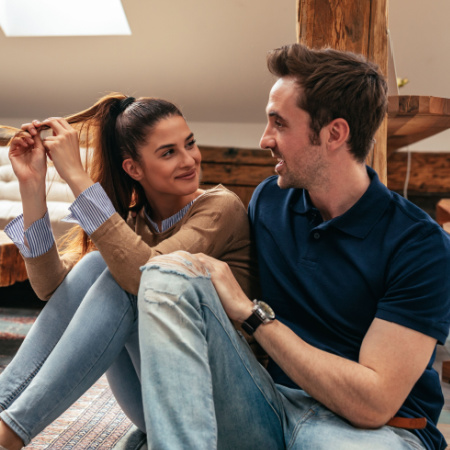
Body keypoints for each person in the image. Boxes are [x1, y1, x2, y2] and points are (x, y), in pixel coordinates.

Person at [134, 44, 450, 449]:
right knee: (163, 273)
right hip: (271, 405)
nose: (264, 139)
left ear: (334, 134)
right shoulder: (270, 201)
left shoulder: (421, 246)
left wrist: (253, 316)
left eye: (279, 124)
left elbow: (373, 404)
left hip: (377, 431)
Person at [0, 94, 258, 450]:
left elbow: (148, 278)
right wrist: (32, 187)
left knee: (134, 278)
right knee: (97, 265)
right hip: (157, 403)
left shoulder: (220, 208)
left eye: (190, 144)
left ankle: (10, 433)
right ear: (134, 169)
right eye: (169, 152)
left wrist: (75, 174)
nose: (189, 160)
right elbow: (51, 290)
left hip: (222, 404)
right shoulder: (135, 222)